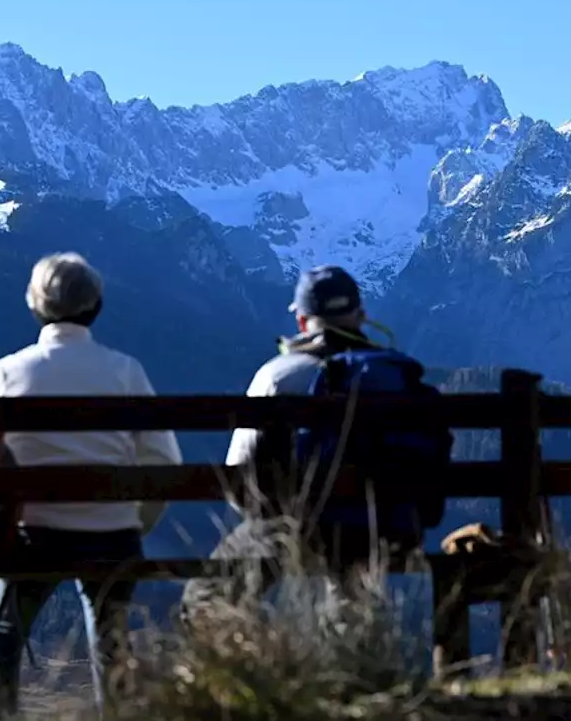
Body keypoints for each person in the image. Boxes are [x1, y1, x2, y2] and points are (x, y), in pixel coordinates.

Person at [0, 251, 183, 721]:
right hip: (112, 537)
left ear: (36, 306)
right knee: (112, 646)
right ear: (96, 308)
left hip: (33, 539)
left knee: (0, 641)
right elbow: (164, 461)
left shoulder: (10, 372)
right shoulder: (126, 371)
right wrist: (133, 522)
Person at [180, 264, 449, 626]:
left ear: (303, 321)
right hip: (384, 528)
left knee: (204, 598)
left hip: (295, 529)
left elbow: (241, 470)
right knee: (350, 599)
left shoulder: (279, 375)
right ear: (361, 315)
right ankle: (356, 668)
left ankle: (255, 673)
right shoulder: (396, 375)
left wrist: (267, 518)